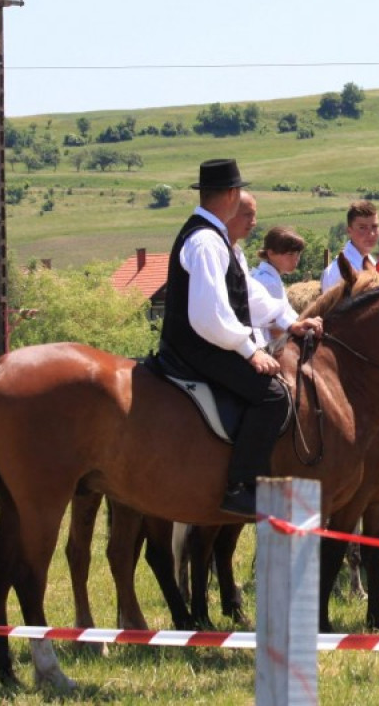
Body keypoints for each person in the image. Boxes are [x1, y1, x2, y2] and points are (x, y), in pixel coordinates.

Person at [159, 159, 322, 518]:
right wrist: (251, 352)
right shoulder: (206, 242)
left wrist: (291, 321)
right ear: (232, 195)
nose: (251, 221)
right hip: (197, 347)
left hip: (207, 341)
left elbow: (247, 294)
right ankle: (240, 486)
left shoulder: (221, 242)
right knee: (274, 395)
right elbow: (209, 316)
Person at [251, 226, 306, 345]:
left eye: (298, 254)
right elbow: (275, 326)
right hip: (267, 346)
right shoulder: (268, 282)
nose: (296, 259)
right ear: (271, 253)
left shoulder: (268, 277)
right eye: (290, 254)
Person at [320, 200, 379, 292]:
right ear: (349, 231)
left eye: (374, 226)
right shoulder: (337, 271)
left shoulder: (372, 262)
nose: (371, 234)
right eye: (362, 228)